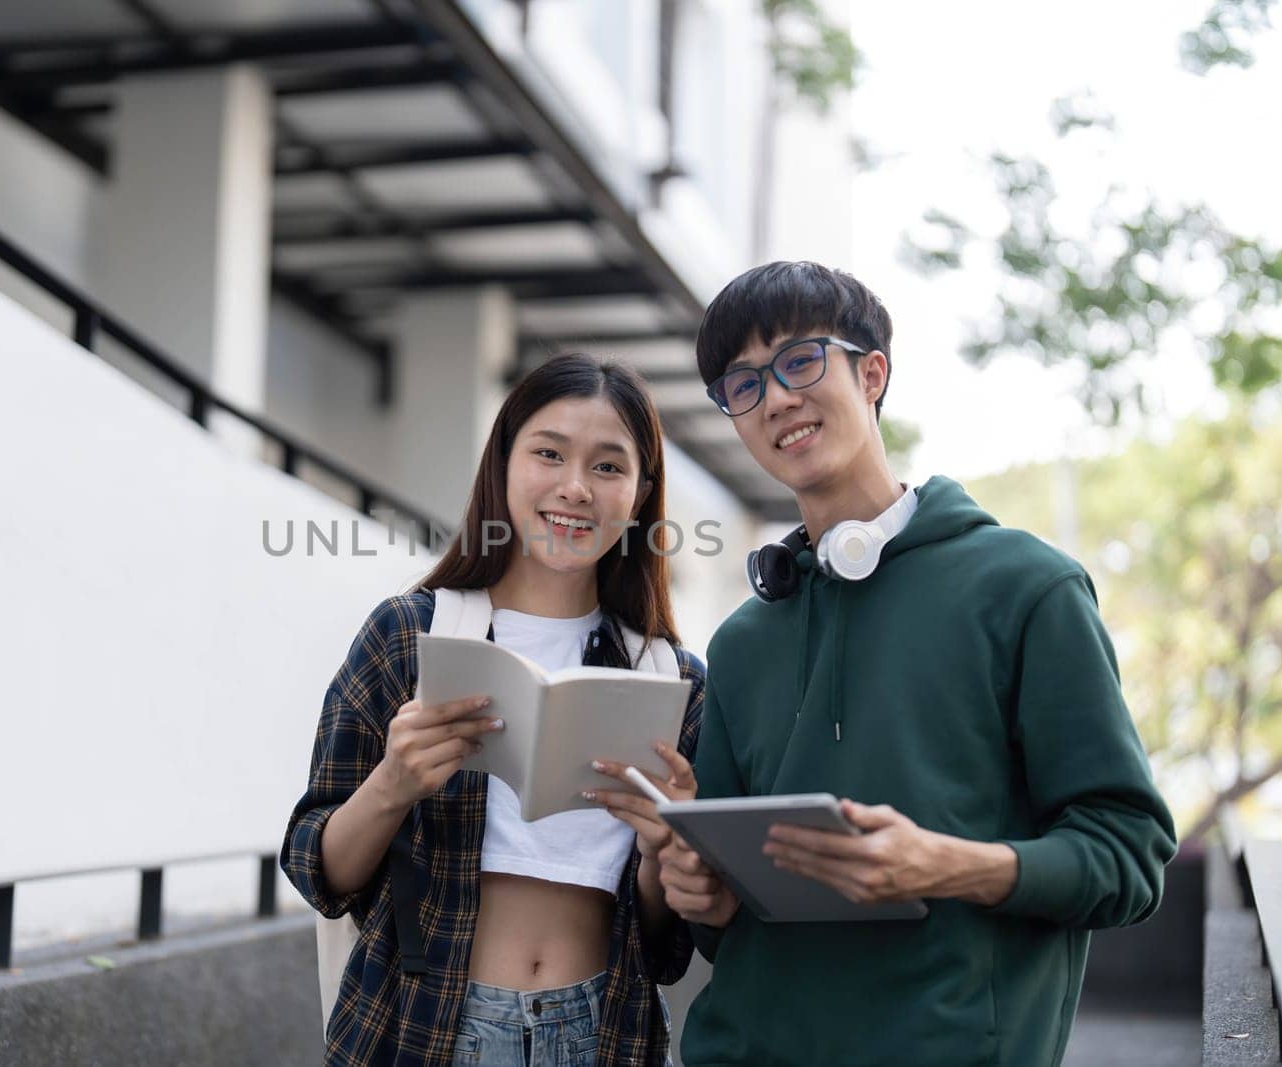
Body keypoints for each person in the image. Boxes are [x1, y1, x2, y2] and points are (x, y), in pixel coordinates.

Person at [599, 262, 1177, 1066]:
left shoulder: (1027, 588)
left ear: (872, 372)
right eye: (744, 384)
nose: (777, 399)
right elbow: (719, 922)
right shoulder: (741, 642)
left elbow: (1128, 853)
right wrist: (704, 890)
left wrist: (948, 864)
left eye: (800, 361)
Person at [281, 353, 706, 1066]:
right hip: (424, 1027)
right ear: (504, 462)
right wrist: (393, 783)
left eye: (608, 467)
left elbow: (666, 947)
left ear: (639, 494)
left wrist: (666, 847)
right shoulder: (409, 636)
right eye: (549, 453)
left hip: (603, 1031)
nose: (575, 488)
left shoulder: (671, 679)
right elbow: (316, 868)